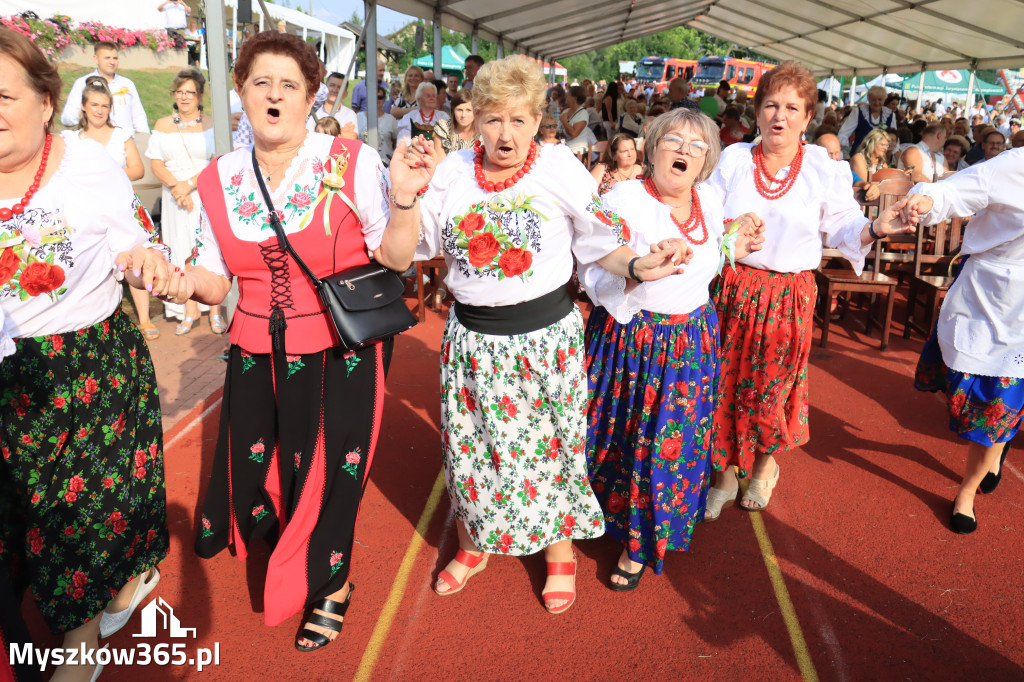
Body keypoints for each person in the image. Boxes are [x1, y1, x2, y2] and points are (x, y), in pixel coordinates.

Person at [412, 55, 689, 614]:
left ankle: (559, 552)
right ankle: (474, 542)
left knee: (554, 447)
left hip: (543, 339)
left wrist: (636, 266)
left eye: (518, 119)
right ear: (475, 121)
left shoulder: (559, 166)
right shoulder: (453, 171)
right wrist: (405, 190)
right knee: (473, 451)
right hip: (471, 342)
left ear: (539, 118)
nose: (505, 134)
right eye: (492, 119)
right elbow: (420, 243)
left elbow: (597, 240)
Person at [186, 30, 421, 651]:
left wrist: (402, 200)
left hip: (341, 347)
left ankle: (332, 584)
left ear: (312, 96)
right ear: (240, 92)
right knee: (262, 465)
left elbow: (395, 257)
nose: (274, 95)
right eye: (260, 82)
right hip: (254, 346)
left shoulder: (350, 160)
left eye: (289, 85)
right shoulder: (218, 177)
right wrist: (178, 279)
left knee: (330, 472)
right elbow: (215, 281)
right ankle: (295, 546)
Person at [0, 27, 175, 679]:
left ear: (45, 102)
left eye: (4, 95)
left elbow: (142, 239)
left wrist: (144, 257)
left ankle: (79, 645)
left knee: (80, 510)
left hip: (86, 365)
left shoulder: (87, 164)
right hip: (7, 378)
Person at [701, 62, 913, 519]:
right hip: (733, 289)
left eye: (792, 107)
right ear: (756, 112)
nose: (780, 115)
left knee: (771, 388)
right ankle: (723, 472)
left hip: (788, 296)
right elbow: (704, 219)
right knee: (723, 384)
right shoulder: (734, 160)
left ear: (808, 116)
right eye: (771, 105)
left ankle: (762, 468)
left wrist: (875, 227)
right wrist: (728, 233)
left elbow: (840, 226)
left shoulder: (822, 168)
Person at [580, 108, 764, 589]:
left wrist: (733, 248)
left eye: (697, 145)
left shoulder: (708, 196)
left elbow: (710, 256)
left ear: (706, 160)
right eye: (675, 140)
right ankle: (606, 519)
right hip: (630, 339)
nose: (685, 150)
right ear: (653, 146)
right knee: (620, 438)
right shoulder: (624, 196)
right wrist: (639, 265)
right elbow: (591, 258)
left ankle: (640, 542)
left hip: (691, 341)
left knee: (669, 444)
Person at [904, 148, 1024, 534]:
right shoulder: (1013, 166)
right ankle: (996, 445)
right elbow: (956, 191)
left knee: (998, 410)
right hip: (989, 296)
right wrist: (926, 199)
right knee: (978, 401)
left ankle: (967, 492)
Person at [62, 77, 160, 343]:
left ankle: (145, 318)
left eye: (105, 105)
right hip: (84, 210)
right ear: (83, 106)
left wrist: (107, 175)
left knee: (132, 259)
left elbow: (138, 169)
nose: (99, 110)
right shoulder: (72, 139)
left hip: (120, 207)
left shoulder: (120, 135)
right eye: (94, 104)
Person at [145, 67, 225, 334]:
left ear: (200, 95)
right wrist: (176, 188)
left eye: (190, 92)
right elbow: (156, 163)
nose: (184, 97)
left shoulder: (213, 124)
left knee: (207, 246)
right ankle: (189, 308)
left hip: (204, 191)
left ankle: (214, 309)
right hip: (173, 198)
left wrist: (188, 185)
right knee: (180, 246)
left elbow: (217, 162)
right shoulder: (162, 124)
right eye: (179, 92)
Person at [60, 41, 149, 134]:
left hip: (125, 141)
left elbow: (138, 116)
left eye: (115, 58)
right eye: (107, 58)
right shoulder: (82, 83)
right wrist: (85, 112)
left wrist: (145, 139)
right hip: (94, 140)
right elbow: (66, 118)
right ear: (96, 59)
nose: (112, 62)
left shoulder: (127, 84)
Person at [837, 85, 898, 155]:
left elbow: (894, 138)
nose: (877, 102)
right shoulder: (858, 112)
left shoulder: (890, 115)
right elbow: (843, 133)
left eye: (880, 99)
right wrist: (844, 150)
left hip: (881, 156)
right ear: (869, 99)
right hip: (860, 154)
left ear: (884, 100)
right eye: (874, 99)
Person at [357, 85, 398, 165]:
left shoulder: (391, 120)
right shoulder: (357, 117)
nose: (376, 100)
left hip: (384, 165)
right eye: (373, 97)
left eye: (380, 97)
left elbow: (397, 142)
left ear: (384, 100)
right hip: (361, 163)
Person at [313, 71, 357, 139]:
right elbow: (310, 139)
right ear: (325, 88)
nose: (335, 90)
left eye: (339, 87)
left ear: (345, 94)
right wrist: (341, 133)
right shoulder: (315, 114)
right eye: (332, 85)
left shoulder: (350, 114)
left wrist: (325, 134)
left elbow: (352, 138)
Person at [433, 89, 477, 156]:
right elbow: (440, 163)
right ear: (453, 111)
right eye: (459, 110)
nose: (463, 115)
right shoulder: (443, 128)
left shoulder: (483, 131)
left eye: (468, 110)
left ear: (476, 112)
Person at [560, 84, 591, 159]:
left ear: (575, 98)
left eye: (568, 95)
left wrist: (564, 121)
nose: (565, 97)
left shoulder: (583, 113)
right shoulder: (566, 111)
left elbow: (574, 134)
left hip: (577, 152)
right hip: (566, 148)